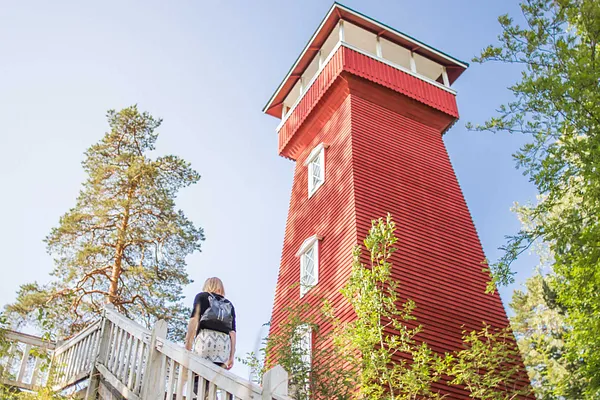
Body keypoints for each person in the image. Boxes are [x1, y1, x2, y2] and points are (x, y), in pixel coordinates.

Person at [185, 277, 236, 370]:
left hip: (205, 340)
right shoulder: (229, 304)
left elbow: (194, 320)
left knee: (198, 375)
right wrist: (232, 356)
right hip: (223, 345)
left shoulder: (202, 296)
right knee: (215, 379)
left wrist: (188, 344)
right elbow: (232, 332)